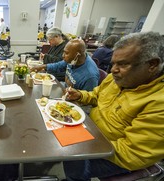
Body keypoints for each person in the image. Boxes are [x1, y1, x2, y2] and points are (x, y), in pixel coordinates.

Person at [62, 31, 164, 180]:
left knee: (71, 156)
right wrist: (81, 95)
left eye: (123, 64)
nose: (113, 70)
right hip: (93, 132)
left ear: (152, 65)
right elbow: (97, 95)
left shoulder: (158, 103)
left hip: (114, 155)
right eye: (113, 63)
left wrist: (84, 143)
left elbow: (132, 154)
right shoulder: (117, 79)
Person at [31, 39, 99, 91]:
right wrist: (43, 66)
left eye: (66, 53)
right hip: (64, 87)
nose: (63, 56)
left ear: (77, 54)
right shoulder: (73, 60)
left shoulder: (90, 76)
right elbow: (59, 65)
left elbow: (87, 104)